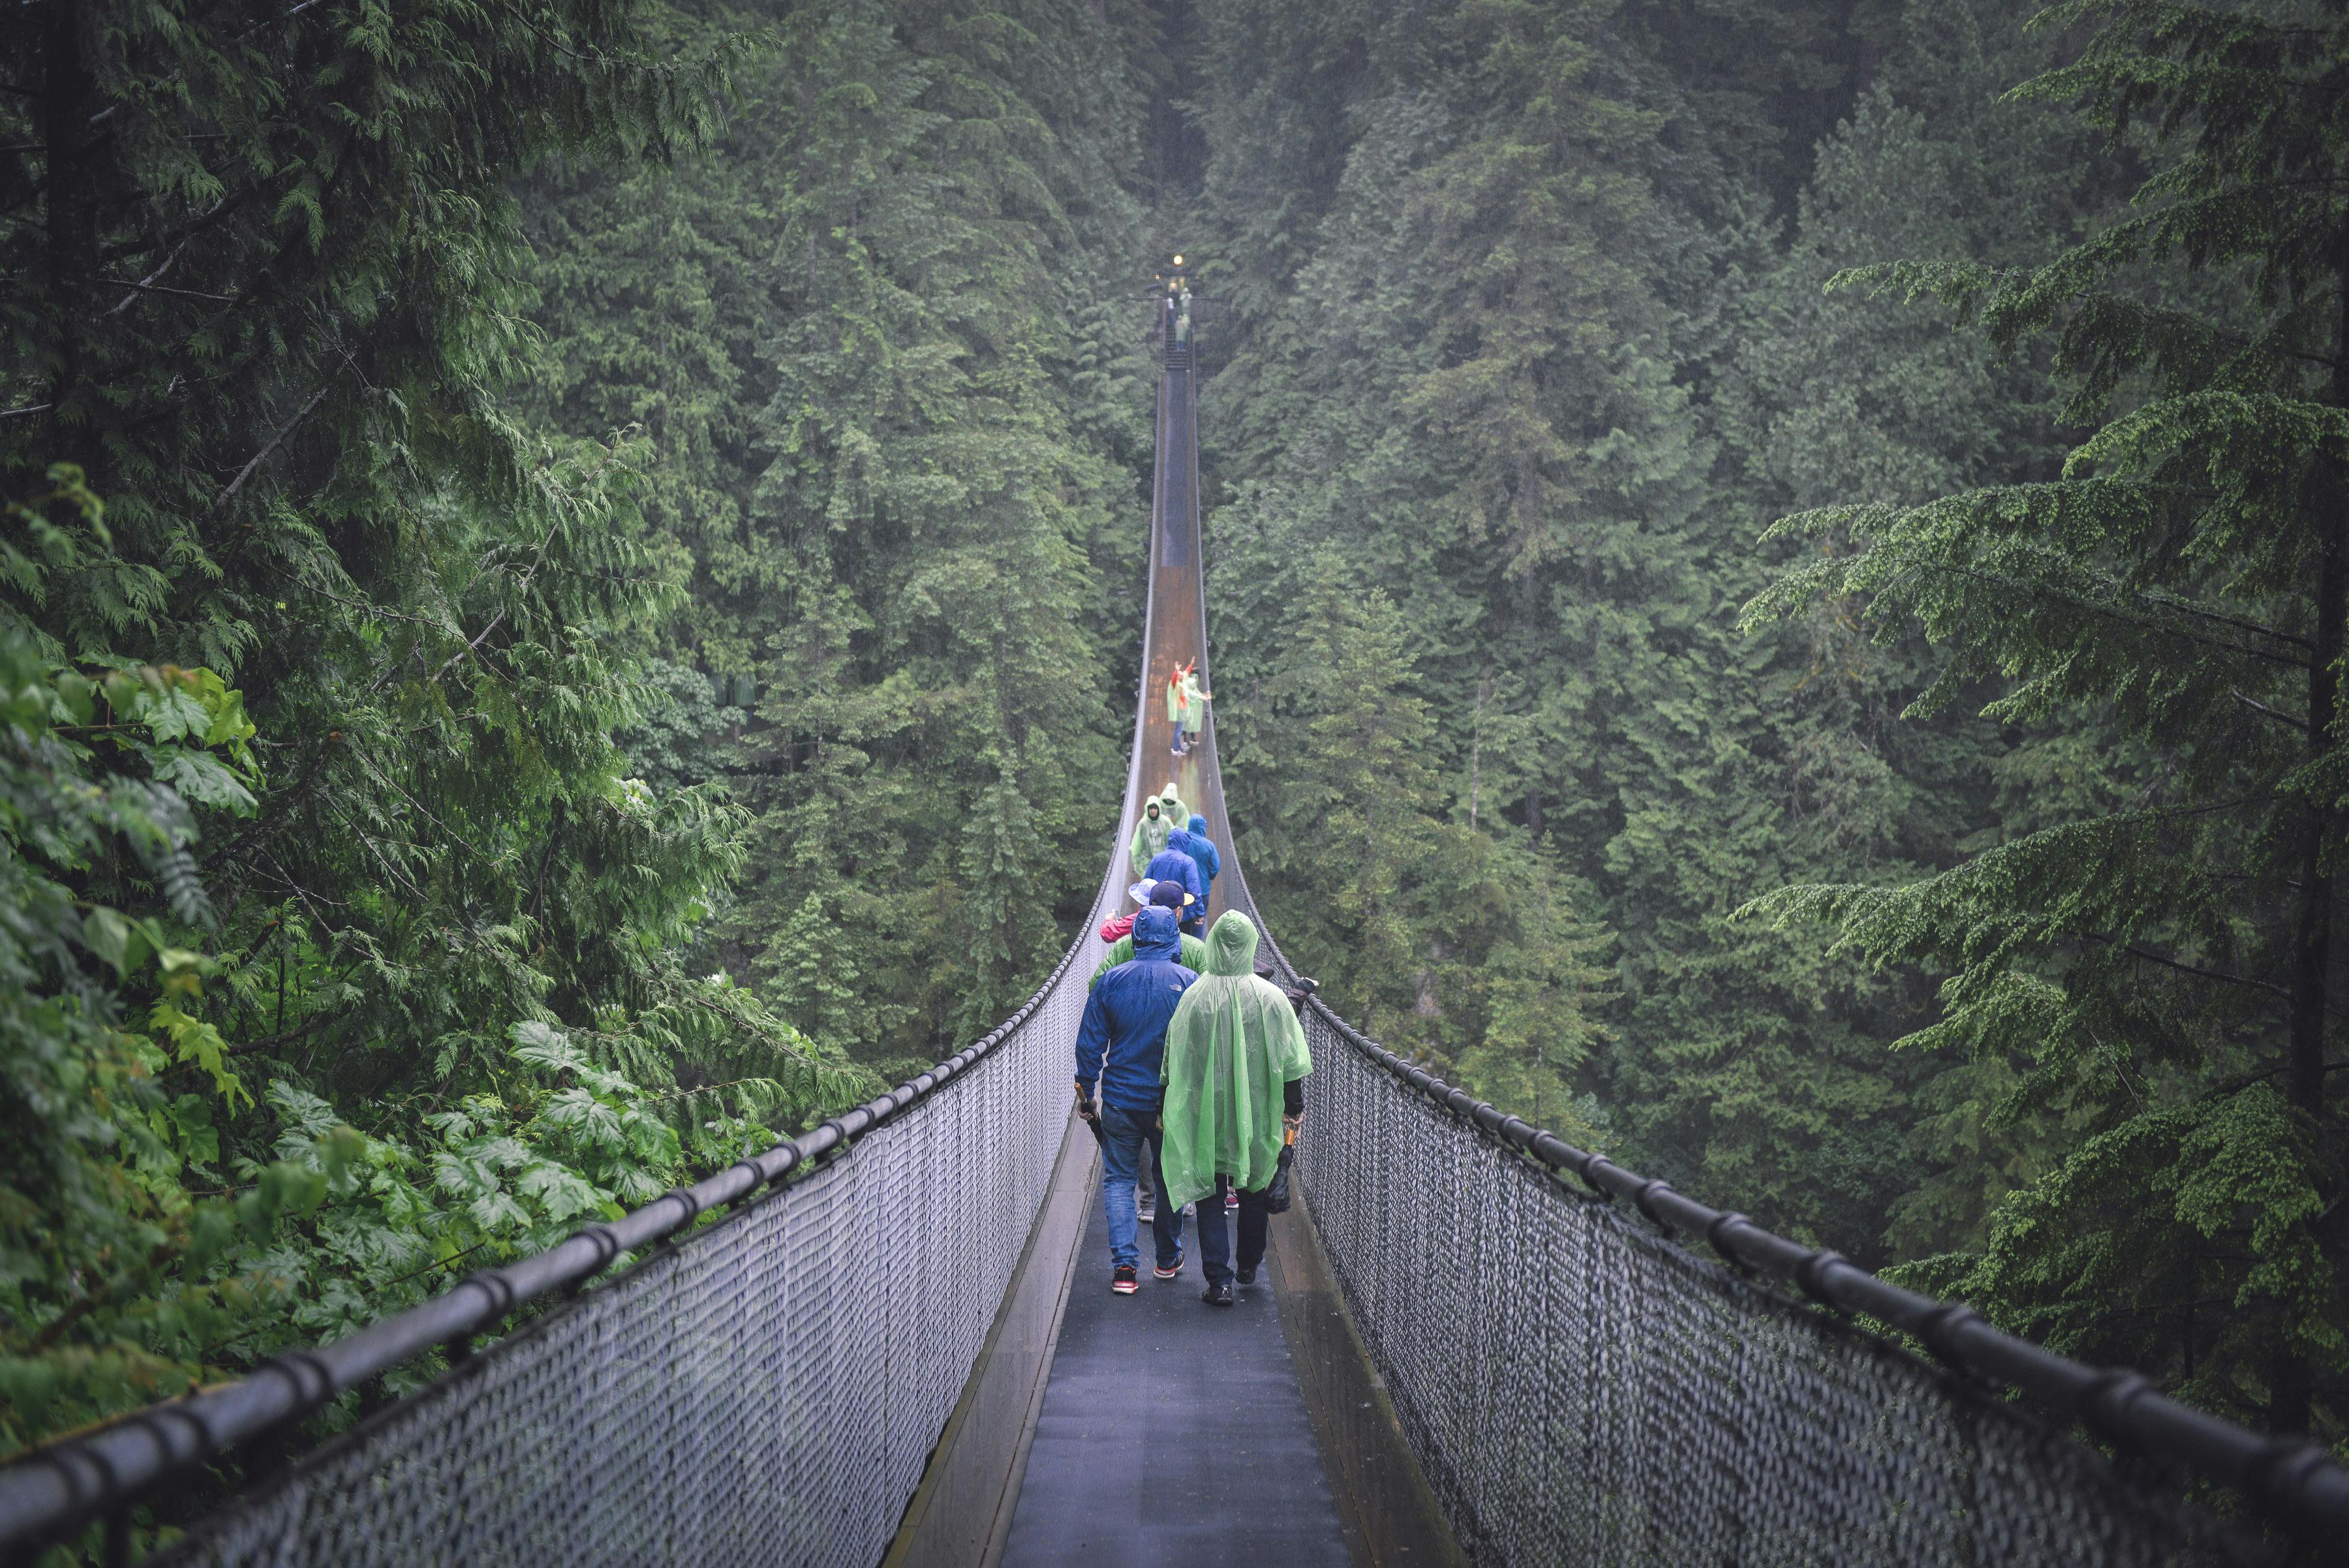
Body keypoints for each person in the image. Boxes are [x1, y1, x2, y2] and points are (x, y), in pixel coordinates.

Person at [1157, 912, 1311, 1306]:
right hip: (1257, 1111)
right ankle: (1248, 1266)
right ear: (1251, 947)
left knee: (1211, 1193)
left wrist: (1166, 1107)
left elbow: (1175, 1059)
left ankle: (1218, 1282)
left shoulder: (1194, 997)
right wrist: (1293, 1108)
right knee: (1254, 1188)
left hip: (1207, 1113)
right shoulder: (1274, 999)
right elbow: (1292, 1064)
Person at [1073, 904, 1198, 1293]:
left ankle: (1125, 1270)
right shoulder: (1190, 982)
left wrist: (1086, 1094)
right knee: (1168, 1180)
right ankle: (1166, 1259)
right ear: (1173, 937)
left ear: (1137, 938)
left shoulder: (1110, 981)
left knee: (1118, 1180)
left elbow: (1089, 1045)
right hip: (1169, 1105)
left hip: (1120, 1101)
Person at [1094, 882, 1207, 985]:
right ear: (1178, 912)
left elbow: (1096, 983)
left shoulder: (1123, 944)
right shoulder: (1197, 948)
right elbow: (1206, 992)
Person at [1146, 833, 1205, 932]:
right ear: (1184, 843)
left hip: (1157, 913)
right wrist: (1199, 913)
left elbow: (1147, 883)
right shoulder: (1188, 862)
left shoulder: (1156, 859)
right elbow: (1194, 891)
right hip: (1181, 915)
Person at [1127, 795, 1173, 881]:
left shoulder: (1165, 822)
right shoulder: (1143, 824)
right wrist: (1138, 859)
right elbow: (1137, 843)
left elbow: (1173, 837)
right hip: (1148, 862)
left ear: (1158, 809)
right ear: (1147, 809)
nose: (1153, 811)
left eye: (1155, 808)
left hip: (1164, 861)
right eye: (1150, 808)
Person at [1182, 814, 1220, 902]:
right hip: (1203, 887)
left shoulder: (1183, 842)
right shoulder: (1209, 845)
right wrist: (1208, 876)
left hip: (1185, 887)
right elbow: (1216, 866)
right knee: (1201, 915)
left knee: (1183, 914)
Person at [1179, 664, 1210, 752]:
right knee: (1187, 723)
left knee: (1189, 723)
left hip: (1189, 707)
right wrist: (1202, 697)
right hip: (1186, 707)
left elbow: (1195, 692)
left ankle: (1190, 739)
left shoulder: (1190, 683)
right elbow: (1191, 694)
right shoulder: (1188, 683)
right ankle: (1185, 740)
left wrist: (1203, 695)